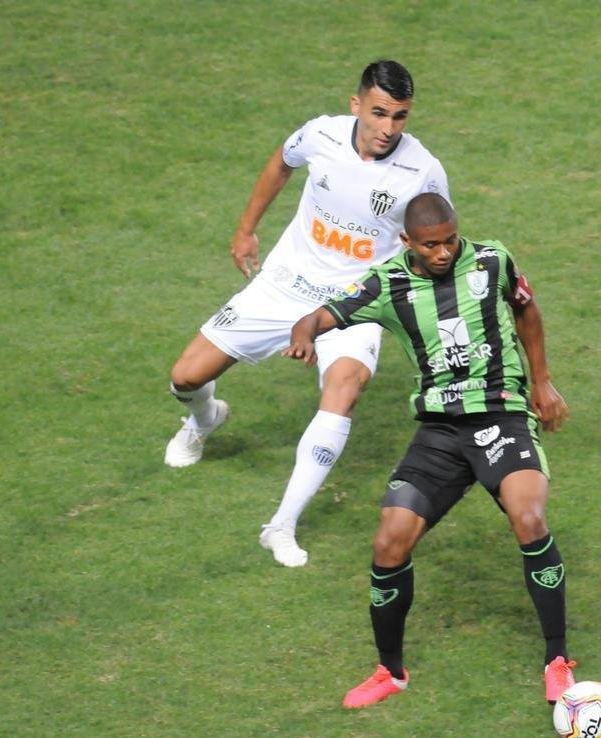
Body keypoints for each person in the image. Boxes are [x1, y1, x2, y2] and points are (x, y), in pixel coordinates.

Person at [284, 193, 576, 708]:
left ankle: (557, 661)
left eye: (449, 240)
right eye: (430, 245)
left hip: (500, 415)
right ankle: (390, 672)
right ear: (407, 242)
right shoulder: (387, 282)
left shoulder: (492, 259)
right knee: (388, 542)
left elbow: (527, 310)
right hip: (440, 431)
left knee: (528, 517)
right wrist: (303, 333)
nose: (443, 253)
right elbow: (319, 317)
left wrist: (543, 382)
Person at [163, 60, 450, 568]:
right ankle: (205, 418)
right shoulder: (321, 135)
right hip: (282, 285)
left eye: (400, 117)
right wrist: (246, 227)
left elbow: (434, 240)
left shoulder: (423, 171)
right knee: (185, 377)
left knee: (345, 387)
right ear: (356, 104)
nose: (388, 128)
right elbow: (281, 162)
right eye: (380, 113)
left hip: (351, 303)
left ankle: (281, 525)